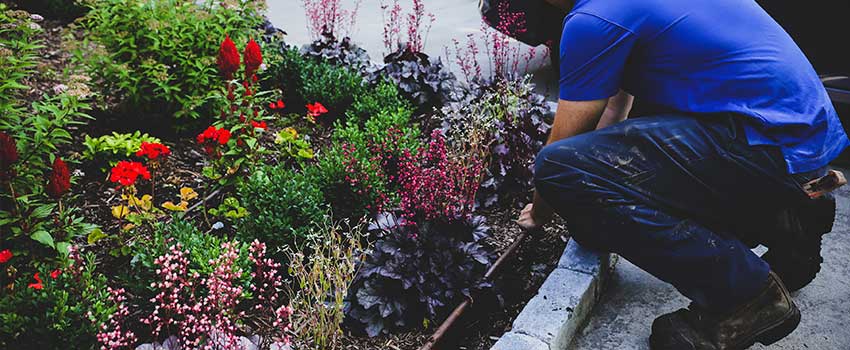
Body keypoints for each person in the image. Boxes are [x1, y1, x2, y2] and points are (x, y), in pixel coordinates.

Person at [515, 0, 849, 349]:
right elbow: (613, 108)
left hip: (762, 144)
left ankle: (747, 297)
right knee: (586, 191)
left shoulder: (593, 18)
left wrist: (541, 210)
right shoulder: (621, 8)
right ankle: (786, 215)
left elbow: (563, 146)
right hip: (801, 143)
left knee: (557, 168)